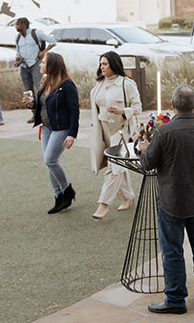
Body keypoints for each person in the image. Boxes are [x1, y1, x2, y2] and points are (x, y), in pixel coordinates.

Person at [139, 85, 194, 314]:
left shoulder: (164, 132)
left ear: (173, 105)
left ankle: (175, 298)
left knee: (173, 250)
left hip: (171, 201)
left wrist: (145, 148)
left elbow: (147, 164)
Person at [90, 51, 141, 220]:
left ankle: (103, 205)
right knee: (117, 165)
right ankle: (128, 196)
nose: (102, 67)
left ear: (114, 64)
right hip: (103, 130)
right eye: (101, 64)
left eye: (105, 64)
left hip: (121, 131)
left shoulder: (127, 83)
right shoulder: (99, 85)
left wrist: (122, 111)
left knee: (114, 168)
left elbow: (137, 107)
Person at [25, 52, 79, 214]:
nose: (40, 65)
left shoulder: (67, 85)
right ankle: (58, 197)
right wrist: (31, 104)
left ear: (52, 65)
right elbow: (42, 105)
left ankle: (67, 191)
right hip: (46, 128)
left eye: (43, 63)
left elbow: (74, 110)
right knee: (49, 163)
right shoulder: (45, 82)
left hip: (61, 128)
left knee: (50, 160)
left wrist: (72, 134)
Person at [14, 18, 56, 122]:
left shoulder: (36, 33)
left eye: (18, 24)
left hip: (36, 64)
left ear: (25, 25)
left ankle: (46, 113)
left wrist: (44, 52)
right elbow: (17, 51)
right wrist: (18, 59)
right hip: (24, 66)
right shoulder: (18, 37)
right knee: (28, 91)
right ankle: (35, 114)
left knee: (41, 88)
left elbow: (53, 42)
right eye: (16, 25)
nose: (16, 27)